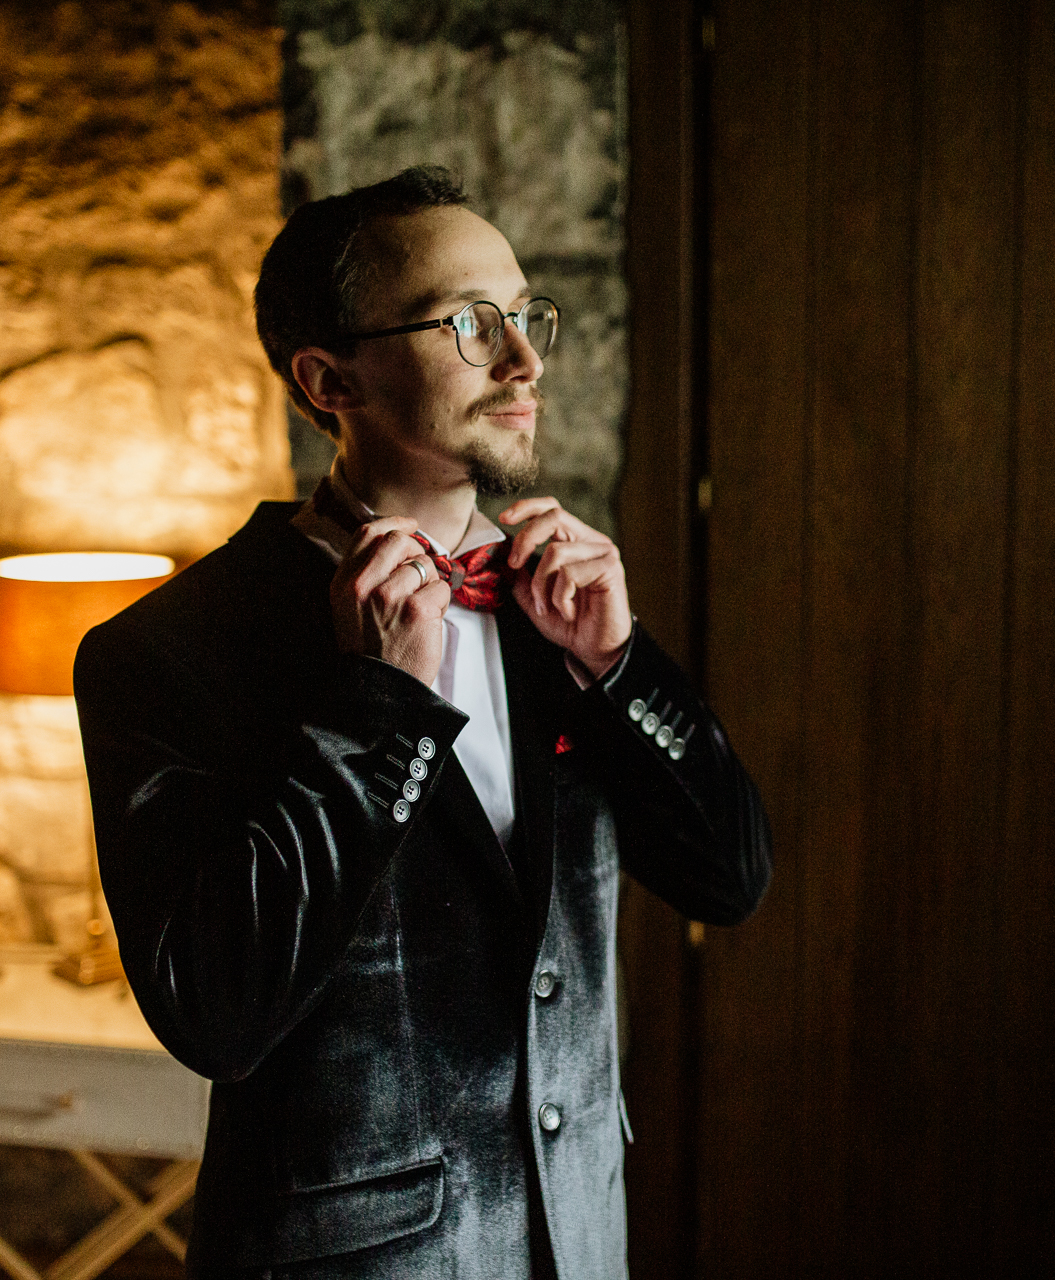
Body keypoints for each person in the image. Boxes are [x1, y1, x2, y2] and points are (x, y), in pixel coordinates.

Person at [73, 166, 771, 1280]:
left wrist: (619, 663)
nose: (525, 360)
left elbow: (730, 874)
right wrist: (379, 707)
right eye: (468, 323)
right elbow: (213, 1010)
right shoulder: (167, 653)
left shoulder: (560, 606)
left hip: (581, 1242)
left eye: (525, 316)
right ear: (328, 376)